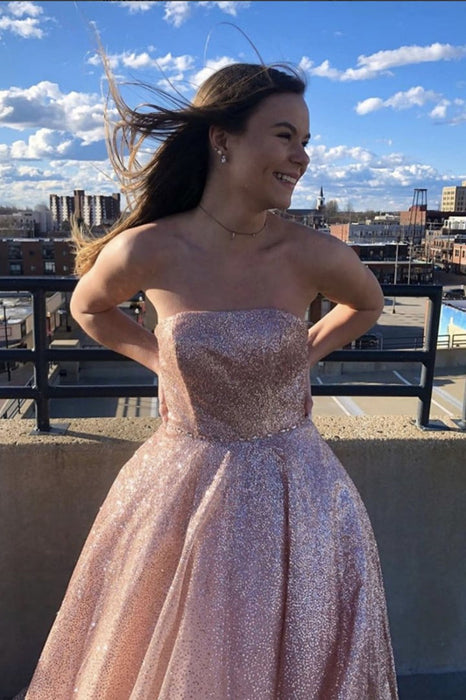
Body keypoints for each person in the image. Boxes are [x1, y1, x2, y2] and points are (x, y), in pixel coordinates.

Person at [24, 60, 398, 698]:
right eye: (284, 136)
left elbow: (367, 304)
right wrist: (160, 359)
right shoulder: (150, 248)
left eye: (306, 141)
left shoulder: (314, 253)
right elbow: (89, 308)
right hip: (183, 488)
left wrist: (304, 352)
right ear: (222, 139)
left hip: (299, 497)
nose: (302, 156)